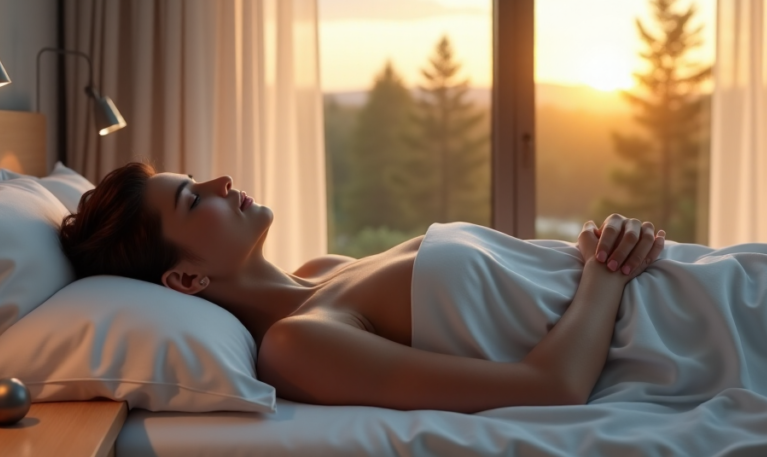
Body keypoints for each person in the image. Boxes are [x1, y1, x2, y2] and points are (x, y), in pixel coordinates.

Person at [59, 162, 668, 413]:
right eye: (193, 199)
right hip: (653, 326)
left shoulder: (324, 269)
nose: (220, 180)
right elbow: (550, 390)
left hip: (664, 276)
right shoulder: (298, 344)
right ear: (187, 278)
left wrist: (612, 245)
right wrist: (604, 273)